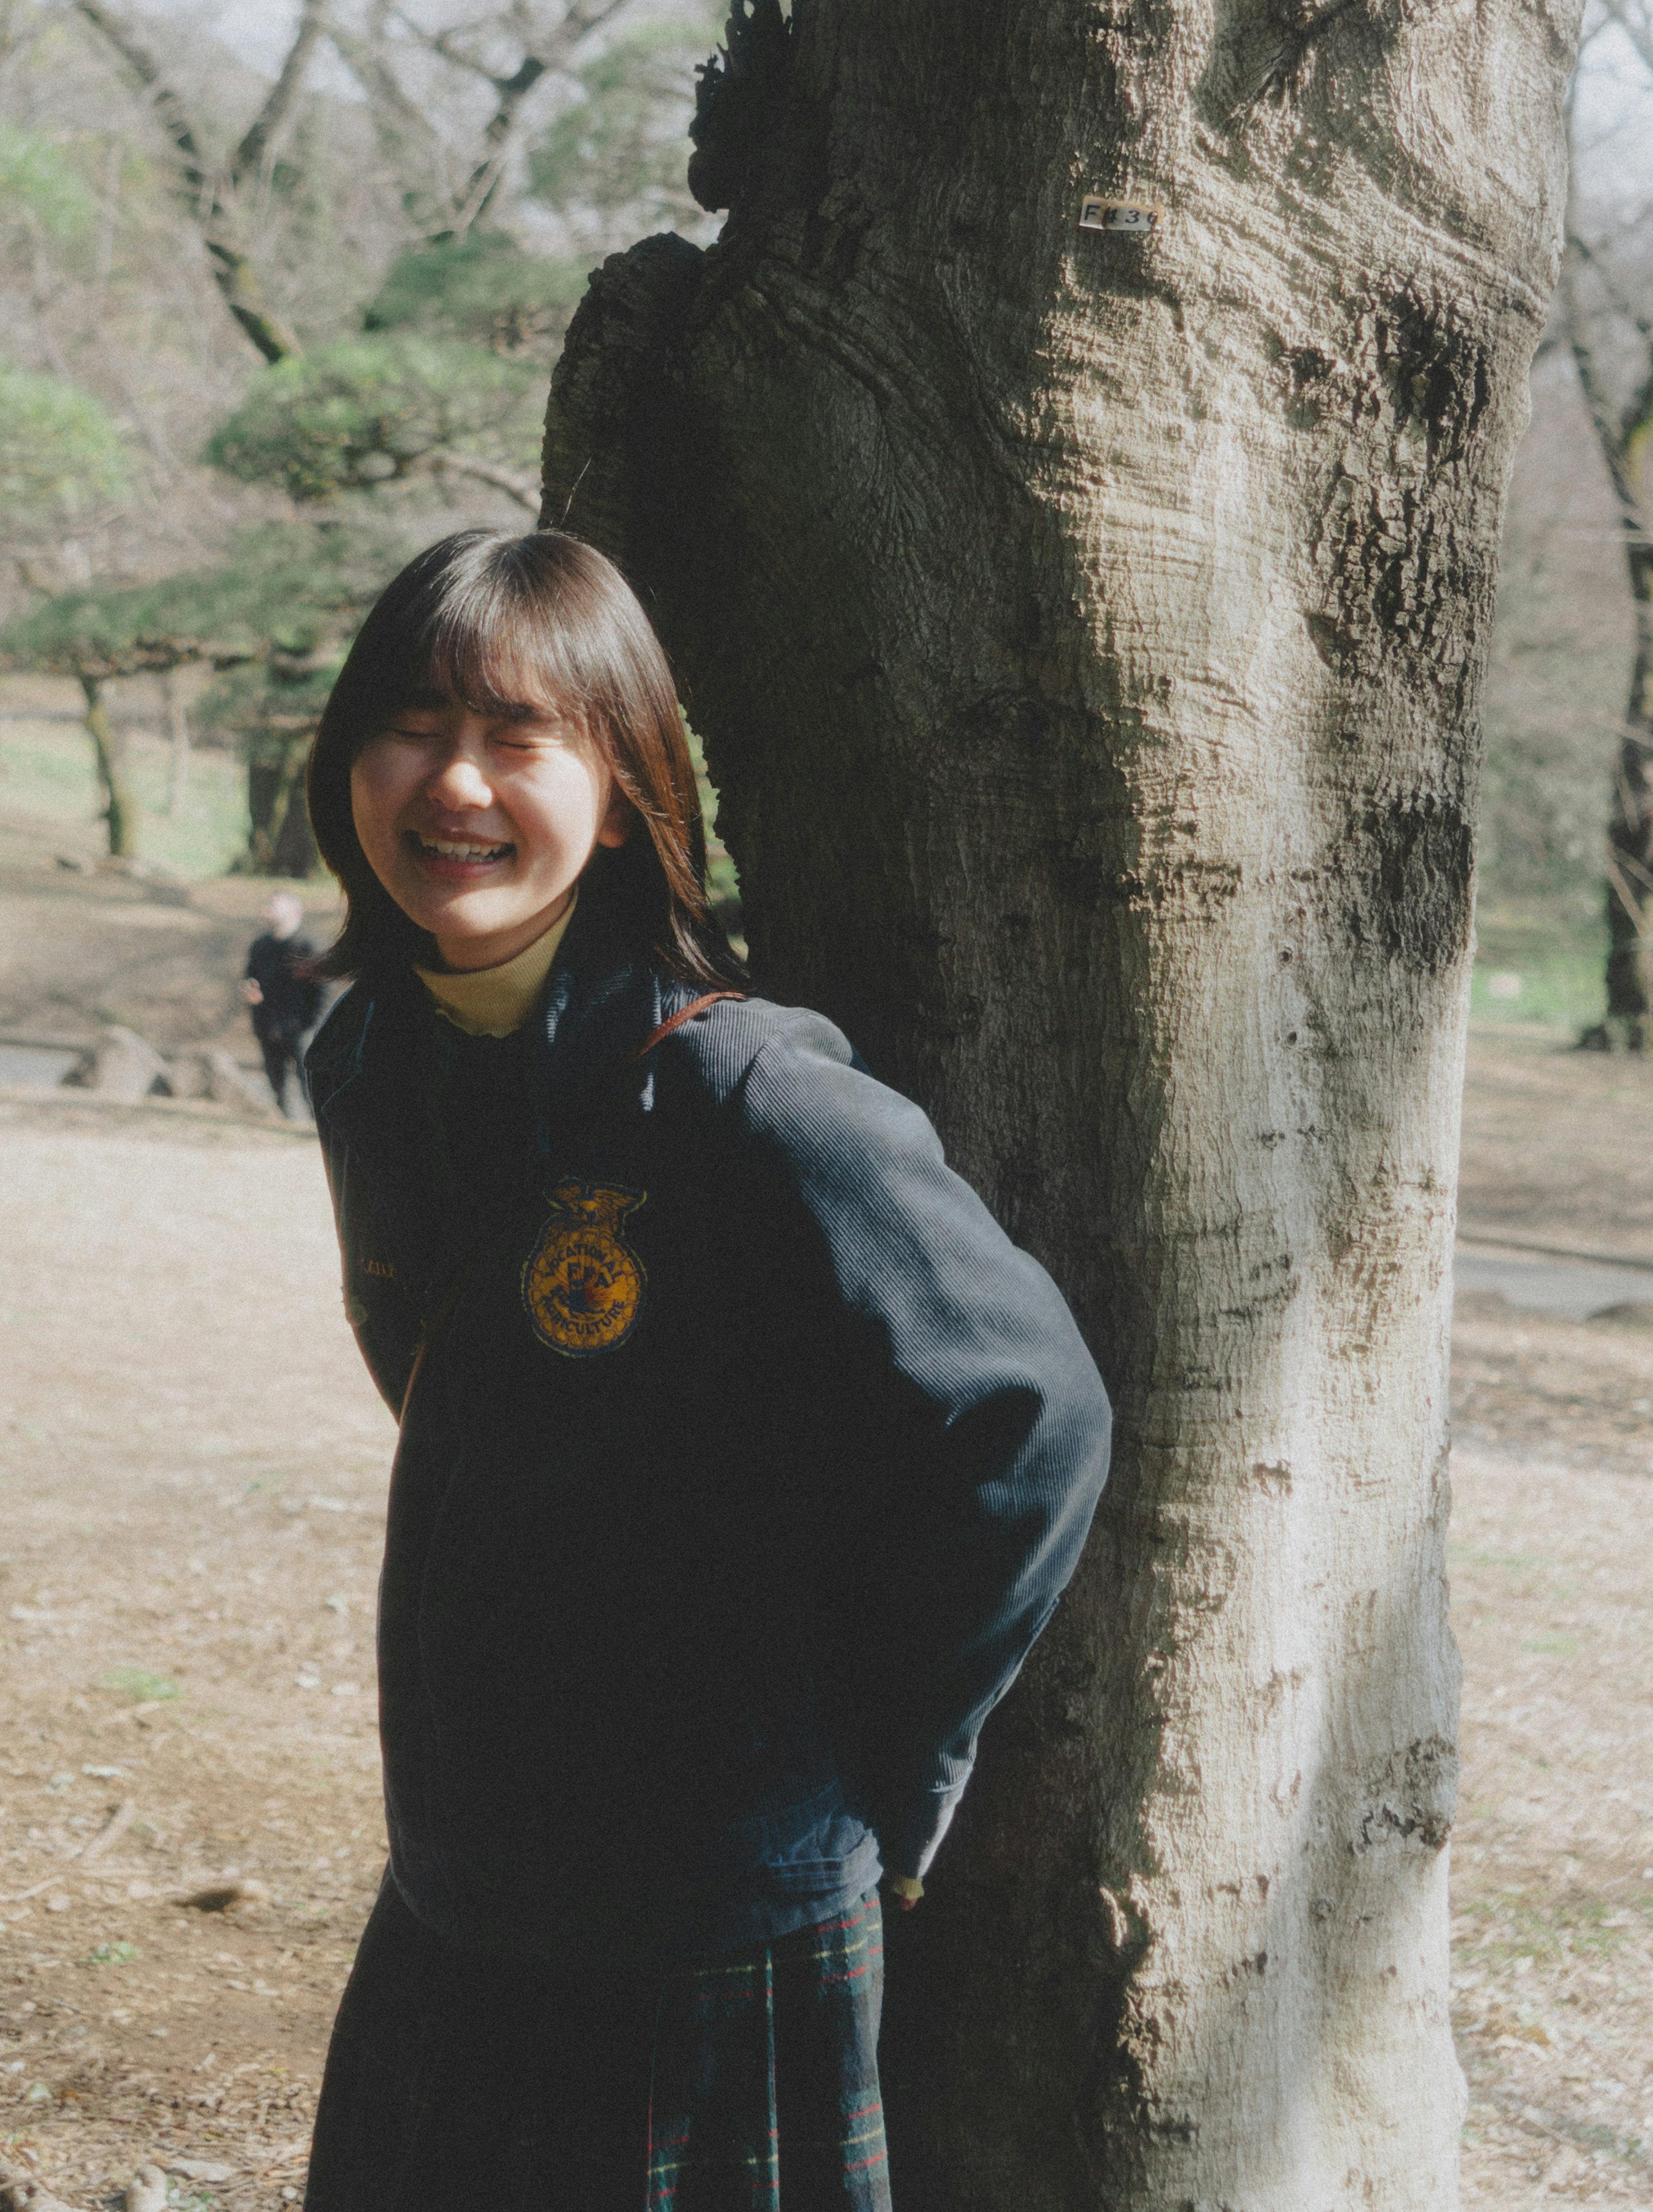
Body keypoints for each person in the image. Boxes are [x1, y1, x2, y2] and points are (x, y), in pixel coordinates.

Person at [298, 529, 1113, 2212]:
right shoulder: (368, 1050)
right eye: (407, 723)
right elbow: (457, 1392)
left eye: (515, 734)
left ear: (621, 782)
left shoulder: (748, 1097)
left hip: (711, 1915)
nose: (452, 780)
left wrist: (883, 1757)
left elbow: (1026, 1411)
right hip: (456, 1876)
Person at [241, 888, 325, 1113]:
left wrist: (311, 1023)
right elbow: (250, 979)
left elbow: (321, 991)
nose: (268, 911)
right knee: (275, 1077)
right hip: (268, 1024)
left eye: (275, 906)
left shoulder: (308, 947)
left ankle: (316, 1124)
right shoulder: (260, 947)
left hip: (300, 1026)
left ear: (295, 912)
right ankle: (283, 1116)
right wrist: (250, 991)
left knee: (308, 1079)